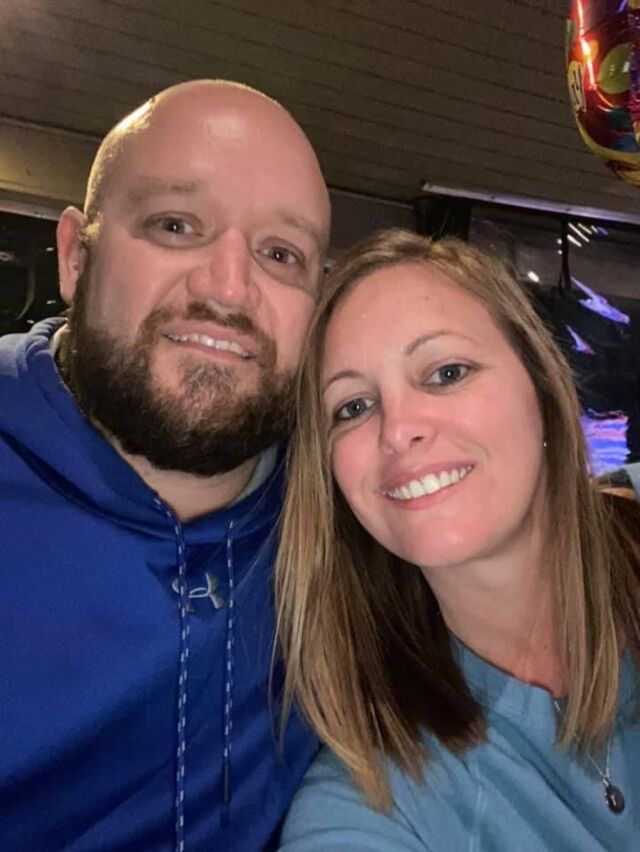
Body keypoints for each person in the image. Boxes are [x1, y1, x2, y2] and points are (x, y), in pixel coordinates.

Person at [0, 80, 330, 851]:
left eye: (280, 254)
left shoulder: (353, 513)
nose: (228, 288)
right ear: (76, 256)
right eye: (175, 225)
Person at [275, 230, 640, 851]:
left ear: (542, 392)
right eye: (353, 407)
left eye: (446, 373)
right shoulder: (371, 808)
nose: (399, 430)